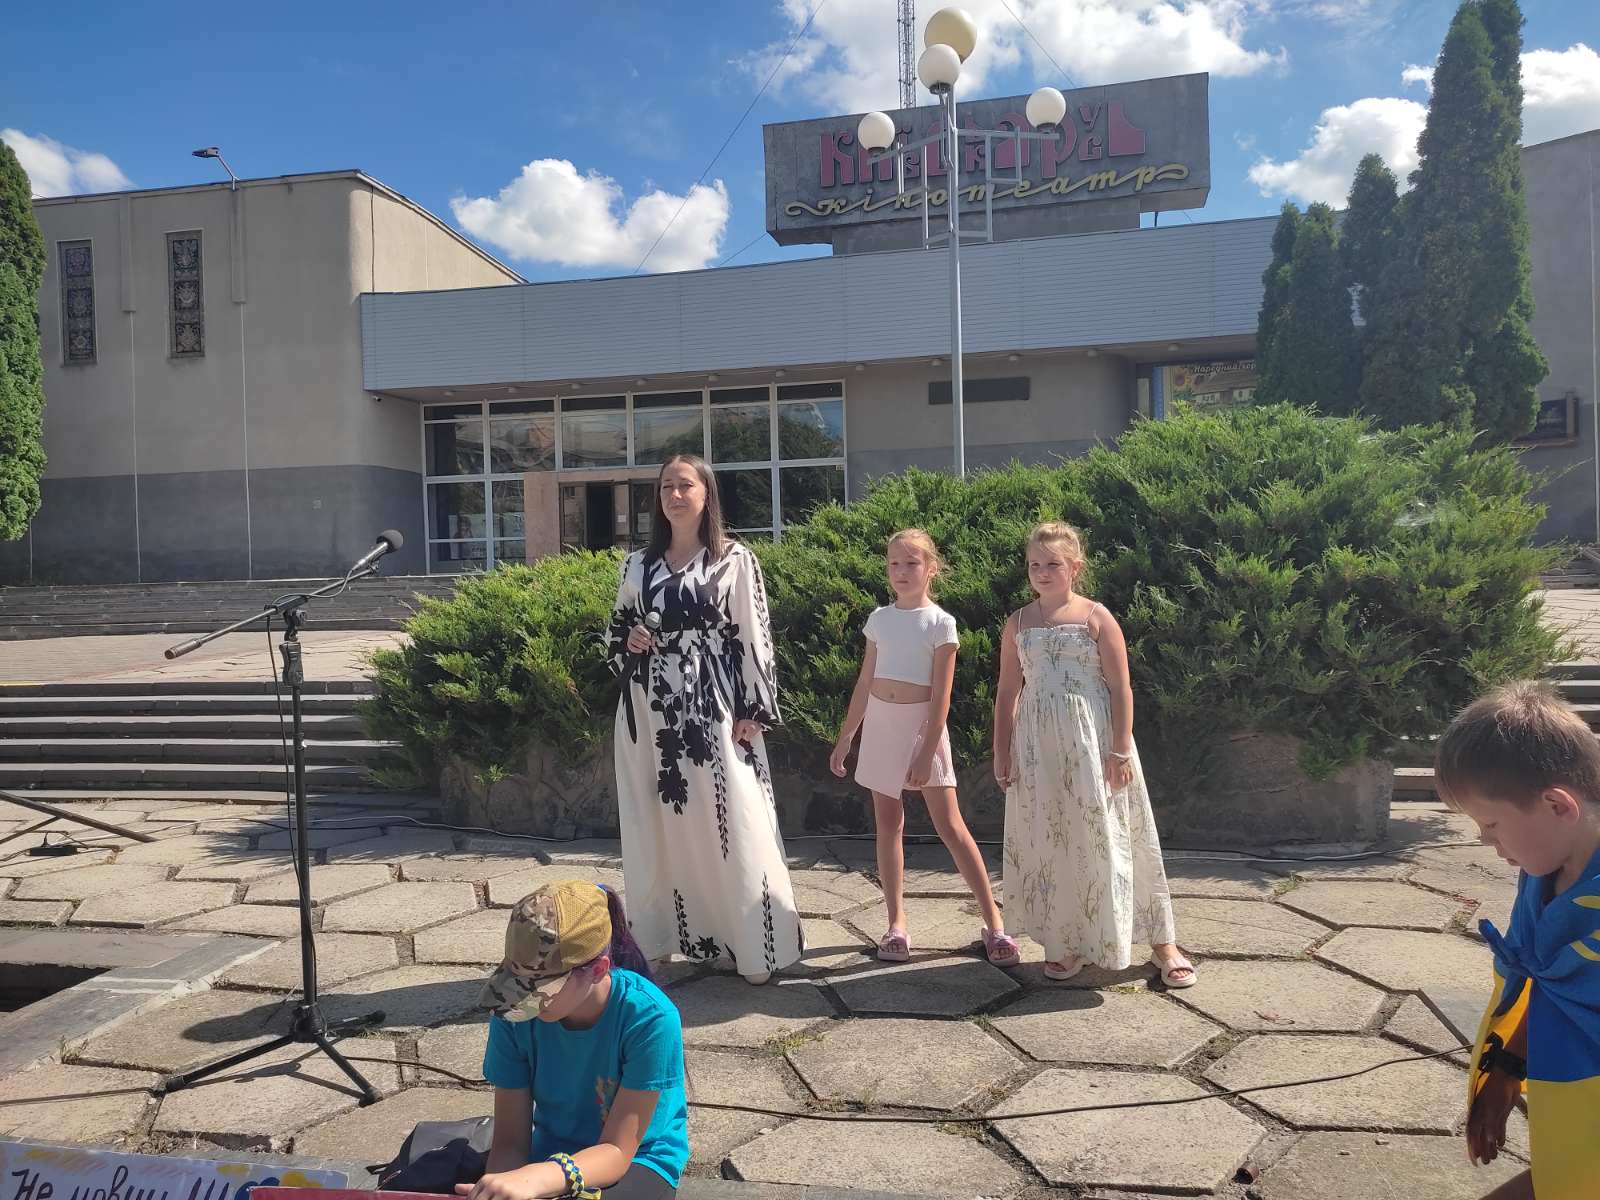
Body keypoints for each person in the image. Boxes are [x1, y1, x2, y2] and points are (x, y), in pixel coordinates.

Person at [607, 454, 801, 984]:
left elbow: (754, 634)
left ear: (706, 494)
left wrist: (754, 709)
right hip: (648, 712)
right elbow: (615, 629)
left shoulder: (734, 560)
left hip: (713, 707)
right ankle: (662, 939)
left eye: (684, 485)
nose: (674, 494)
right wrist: (630, 639)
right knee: (657, 826)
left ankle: (751, 945)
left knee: (731, 820)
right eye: (666, 486)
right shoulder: (637, 565)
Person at [991, 522, 1194, 987]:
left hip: (1094, 743)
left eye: (1053, 564)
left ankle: (1162, 942)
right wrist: (1002, 750)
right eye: (1034, 564)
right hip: (1039, 749)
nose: (1042, 572)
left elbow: (1121, 687)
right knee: (1058, 840)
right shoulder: (1018, 623)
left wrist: (1120, 749)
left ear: (1075, 568)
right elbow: (1007, 692)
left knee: (1116, 834)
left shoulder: (1096, 617)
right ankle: (1071, 941)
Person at [1435, 681, 1600, 1200]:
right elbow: (1553, 985)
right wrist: (1507, 1066)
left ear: (1556, 805)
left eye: (1491, 824)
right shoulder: (1544, 872)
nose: (1485, 840)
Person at [829, 529, 1020, 966]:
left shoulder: (940, 623)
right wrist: (847, 736)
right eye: (894, 563)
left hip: (922, 730)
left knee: (950, 825)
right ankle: (896, 923)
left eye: (911, 563)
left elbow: (941, 696)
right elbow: (864, 681)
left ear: (931, 569)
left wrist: (926, 748)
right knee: (888, 824)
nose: (901, 571)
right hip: (881, 727)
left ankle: (994, 923)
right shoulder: (879, 619)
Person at [466, 882, 688, 1200]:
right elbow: (510, 1143)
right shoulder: (514, 1014)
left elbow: (616, 1151)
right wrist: (498, 1187)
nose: (526, 1001)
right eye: (518, 984)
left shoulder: (651, 1019)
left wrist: (536, 1179)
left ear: (598, 970)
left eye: (543, 990)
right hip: (547, 1158)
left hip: (638, 1160)